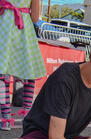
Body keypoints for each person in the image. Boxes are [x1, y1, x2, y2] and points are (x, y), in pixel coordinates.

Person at [0, 0, 46, 131]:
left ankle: (6, 119)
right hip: (24, 29)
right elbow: (35, 17)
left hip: (4, 29)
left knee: (2, 75)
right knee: (28, 71)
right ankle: (27, 114)